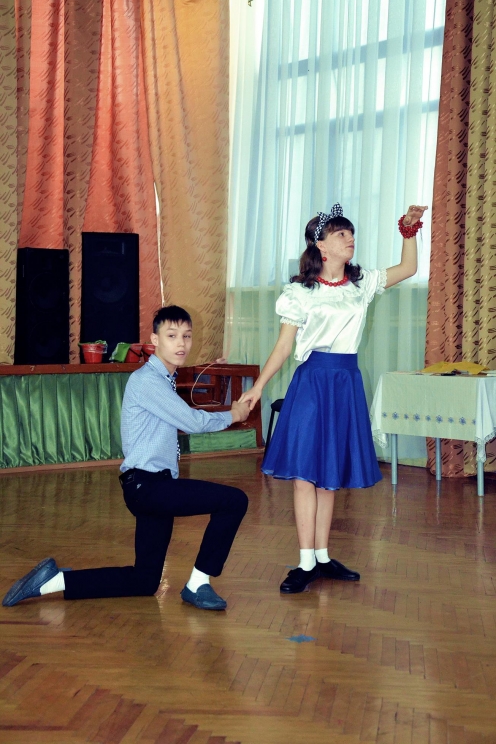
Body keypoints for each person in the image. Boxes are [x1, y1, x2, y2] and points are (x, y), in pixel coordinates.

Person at [3, 305, 251, 611]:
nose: (181, 343)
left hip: (151, 487)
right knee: (233, 501)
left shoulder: (162, 379)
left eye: (187, 336)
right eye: (172, 335)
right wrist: (233, 414)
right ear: (154, 340)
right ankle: (198, 584)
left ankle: (52, 582)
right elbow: (191, 422)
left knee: (144, 581)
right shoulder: (148, 381)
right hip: (150, 488)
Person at [239, 203, 427, 594]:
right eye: (341, 234)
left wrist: (409, 230)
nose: (350, 238)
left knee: (328, 478)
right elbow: (283, 347)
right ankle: (305, 561)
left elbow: (409, 268)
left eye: (351, 233)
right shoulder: (300, 293)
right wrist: (258, 386)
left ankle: (322, 557)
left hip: (345, 383)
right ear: (321, 246)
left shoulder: (361, 284)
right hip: (312, 384)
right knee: (305, 475)